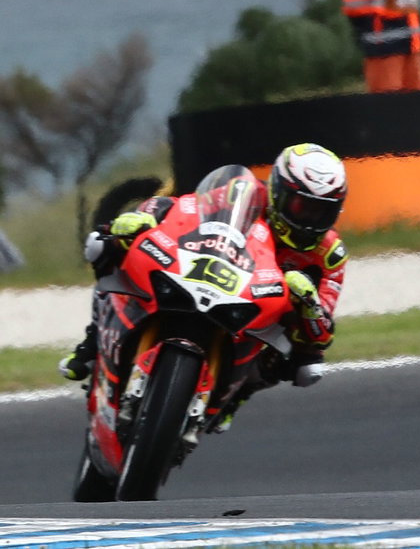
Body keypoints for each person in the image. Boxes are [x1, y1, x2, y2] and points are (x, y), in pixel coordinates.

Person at [59, 144, 351, 431]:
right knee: (106, 246)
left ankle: (236, 395)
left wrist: (308, 303)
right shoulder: (243, 193)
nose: (310, 219)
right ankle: (92, 343)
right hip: (213, 270)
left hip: (261, 309)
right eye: (301, 206)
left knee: (307, 367)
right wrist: (146, 216)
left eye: (322, 211)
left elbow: (321, 335)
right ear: (278, 191)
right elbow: (186, 207)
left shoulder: (330, 255)